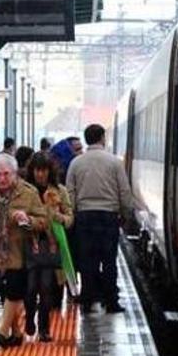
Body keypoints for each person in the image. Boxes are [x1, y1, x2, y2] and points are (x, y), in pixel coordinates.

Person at [0, 154, 48, 347]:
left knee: (14, 291)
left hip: (20, 252)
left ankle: (1, 331)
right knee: (7, 293)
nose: (2, 179)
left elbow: (43, 222)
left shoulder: (28, 193)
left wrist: (27, 220)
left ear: (15, 174)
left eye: (6, 174)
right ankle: (16, 332)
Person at [66, 124, 132, 314]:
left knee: (88, 261)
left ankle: (87, 300)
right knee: (109, 261)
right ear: (102, 138)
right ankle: (111, 302)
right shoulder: (114, 162)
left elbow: (70, 192)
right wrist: (125, 214)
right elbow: (124, 191)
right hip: (108, 217)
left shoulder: (76, 163)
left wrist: (74, 214)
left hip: (84, 217)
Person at [24, 152, 73, 342]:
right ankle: (29, 318)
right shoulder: (25, 190)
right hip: (29, 244)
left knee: (46, 287)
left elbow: (69, 218)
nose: (40, 175)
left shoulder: (59, 191)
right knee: (29, 288)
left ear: (50, 171)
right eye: (37, 170)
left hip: (50, 245)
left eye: (43, 171)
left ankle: (44, 328)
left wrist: (58, 217)